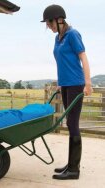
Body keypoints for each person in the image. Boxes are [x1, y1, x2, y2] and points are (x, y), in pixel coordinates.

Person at [41, 5, 93, 180]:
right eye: (47, 24)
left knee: (72, 124)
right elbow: (62, 63)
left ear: (59, 19)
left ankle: (74, 169)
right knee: (69, 124)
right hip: (66, 85)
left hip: (77, 84)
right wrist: (61, 84)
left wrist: (88, 82)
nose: (48, 26)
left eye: (49, 22)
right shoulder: (58, 38)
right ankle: (71, 164)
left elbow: (83, 57)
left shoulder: (72, 34)